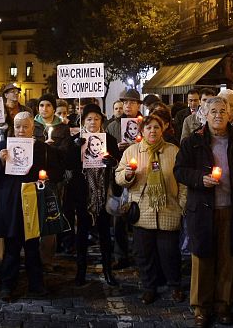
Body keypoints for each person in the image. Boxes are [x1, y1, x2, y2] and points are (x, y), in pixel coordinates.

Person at [174, 96, 233, 326]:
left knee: (227, 258)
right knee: (202, 257)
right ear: (204, 114)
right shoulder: (194, 141)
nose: (218, 115)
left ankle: (224, 303)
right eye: (213, 111)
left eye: (222, 111)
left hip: (231, 209)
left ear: (230, 114)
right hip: (203, 209)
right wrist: (199, 179)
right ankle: (201, 307)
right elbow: (180, 170)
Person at [0, 111, 63, 301]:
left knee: (32, 246)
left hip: (33, 201)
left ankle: (36, 285)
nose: (21, 130)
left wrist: (45, 176)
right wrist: (0, 161)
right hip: (11, 202)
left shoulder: (43, 149)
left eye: (25, 126)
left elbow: (57, 172)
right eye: (18, 126)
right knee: (12, 246)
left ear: (32, 128)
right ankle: (7, 286)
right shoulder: (3, 146)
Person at [115, 114, 187, 305]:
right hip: (142, 211)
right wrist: (128, 175)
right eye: (148, 128)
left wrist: (182, 204)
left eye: (156, 127)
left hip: (168, 209)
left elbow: (183, 181)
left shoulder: (173, 151)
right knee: (144, 254)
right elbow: (119, 177)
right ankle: (149, 287)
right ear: (142, 131)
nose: (152, 131)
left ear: (162, 129)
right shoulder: (132, 151)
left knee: (169, 253)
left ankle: (175, 285)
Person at [64, 104, 121, 287]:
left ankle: (107, 270)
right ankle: (81, 272)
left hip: (103, 195)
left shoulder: (110, 140)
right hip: (83, 195)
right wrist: (75, 147)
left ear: (101, 121)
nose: (93, 122)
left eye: (96, 118)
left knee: (105, 235)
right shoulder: (75, 139)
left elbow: (117, 164)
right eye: (89, 119)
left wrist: (112, 161)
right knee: (81, 234)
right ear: (83, 121)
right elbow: (68, 165)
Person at [105, 88, 144, 269]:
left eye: (132, 102)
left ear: (138, 105)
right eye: (125, 102)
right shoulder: (112, 126)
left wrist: (137, 145)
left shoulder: (145, 124)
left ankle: (140, 254)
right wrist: (116, 150)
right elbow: (106, 152)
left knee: (140, 216)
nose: (128, 105)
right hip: (119, 175)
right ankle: (121, 255)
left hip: (141, 175)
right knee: (118, 218)